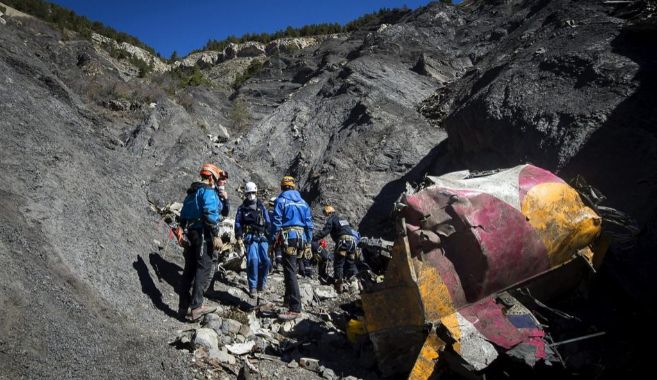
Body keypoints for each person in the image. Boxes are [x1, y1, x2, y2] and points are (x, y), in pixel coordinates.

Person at [178, 163, 224, 321]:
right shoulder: (208, 192)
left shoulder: (191, 193)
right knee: (203, 268)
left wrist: (181, 232)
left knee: (189, 270)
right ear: (211, 177)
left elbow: (182, 215)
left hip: (190, 234)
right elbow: (209, 212)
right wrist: (216, 234)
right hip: (203, 234)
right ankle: (197, 307)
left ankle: (182, 306)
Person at [270, 176, 313, 320]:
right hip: (301, 238)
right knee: (291, 269)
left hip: (289, 237)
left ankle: (295, 308)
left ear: (282, 187)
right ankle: (288, 301)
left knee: (290, 272)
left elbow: (276, 222)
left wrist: (272, 239)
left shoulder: (281, 201)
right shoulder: (303, 203)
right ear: (293, 187)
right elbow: (309, 224)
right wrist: (308, 243)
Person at [235, 182, 271, 302]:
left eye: (252, 193)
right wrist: (239, 237)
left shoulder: (262, 207)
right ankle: (253, 287)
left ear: (256, 193)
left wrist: (271, 234)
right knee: (253, 260)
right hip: (250, 237)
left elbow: (268, 221)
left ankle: (262, 284)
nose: (251, 195)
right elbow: (238, 223)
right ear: (245, 194)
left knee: (266, 261)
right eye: (248, 193)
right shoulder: (242, 208)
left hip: (262, 237)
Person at [314, 205, 358, 293]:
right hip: (352, 243)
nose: (326, 216)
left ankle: (339, 288)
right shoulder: (343, 219)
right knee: (350, 264)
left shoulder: (332, 219)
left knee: (339, 264)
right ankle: (355, 285)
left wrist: (313, 238)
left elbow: (325, 232)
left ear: (328, 212)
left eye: (325, 214)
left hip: (343, 242)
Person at [267, 197, 283, 271]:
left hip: (268, 233)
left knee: (270, 250)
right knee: (278, 249)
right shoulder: (279, 213)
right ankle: (279, 264)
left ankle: (269, 266)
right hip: (277, 233)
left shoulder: (266, 212)